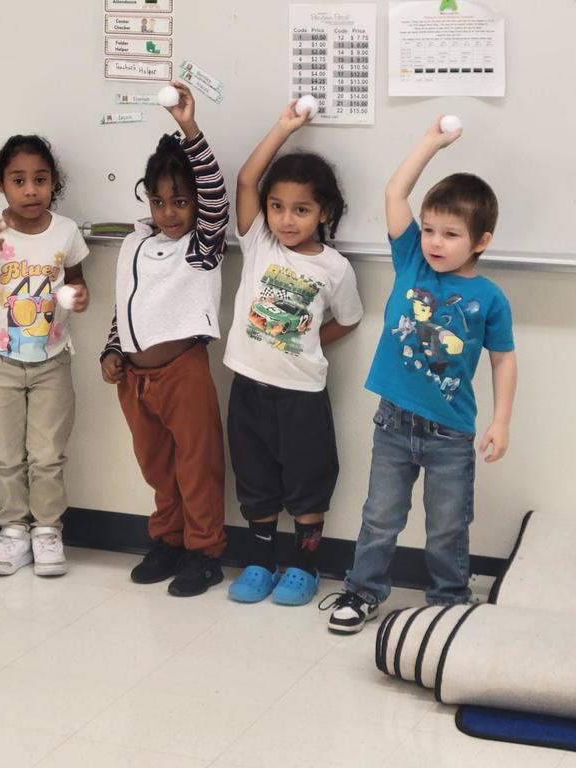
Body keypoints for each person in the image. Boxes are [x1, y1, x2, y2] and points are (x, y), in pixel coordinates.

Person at [323, 118, 517, 634]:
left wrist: (501, 421)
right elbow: (395, 191)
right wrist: (431, 143)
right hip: (394, 423)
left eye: (451, 234)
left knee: (447, 527)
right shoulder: (410, 260)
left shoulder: (490, 298)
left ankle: (448, 601)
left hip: (450, 433)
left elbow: (503, 359)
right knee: (380, 518)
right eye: (430, 229)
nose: (435, 241)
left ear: (481, 241)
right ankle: (362, 592)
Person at [223, 101, 363, 607]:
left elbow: (348, 319)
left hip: (302, 394)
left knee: (308, 483)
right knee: (255, 480)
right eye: (277, 206)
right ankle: (260, 561)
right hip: (248, 387)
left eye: (301, 209)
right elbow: (246, 181)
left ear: (323, 212)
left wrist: (304, 343)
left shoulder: (335, 267)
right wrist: (283, 127)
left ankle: (303, 564)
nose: (286, 219)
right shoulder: (259, 242)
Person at [100, 81, 230, 597]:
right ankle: (169, 540)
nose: (169, 212)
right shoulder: (135, 243)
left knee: (197, 465)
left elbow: (216, 195)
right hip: (135, 378)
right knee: (158, 466)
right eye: (159, 201)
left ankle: (205, 551)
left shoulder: (201, 246)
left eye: (180, 201)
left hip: (183, 372)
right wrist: (113, 348)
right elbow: (126, 303)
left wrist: (189, 127)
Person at [0, 134, 88, 577]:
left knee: (47, 454)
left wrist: (77, 296)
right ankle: (13, 532)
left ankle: (48, 532)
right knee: (7, 455)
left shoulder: (66, 231)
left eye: (41, 180)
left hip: (52, 361)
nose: (31, 190)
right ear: (0, 184)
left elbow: (76, 284)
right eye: (19, 180)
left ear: (53, 183)